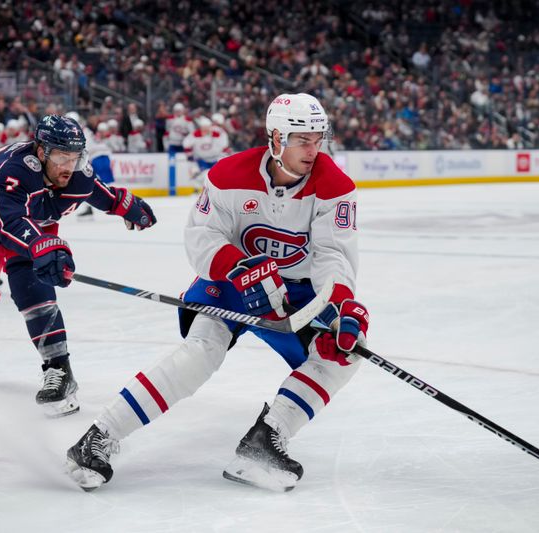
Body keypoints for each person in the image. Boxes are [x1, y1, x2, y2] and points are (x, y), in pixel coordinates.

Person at [66, 93, 369, 492]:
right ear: (276, 138)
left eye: (318, 139)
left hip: (295, 290)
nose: (313, 150)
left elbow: (333, 255)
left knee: (341, 354)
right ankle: (99, 437)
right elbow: (201, 237)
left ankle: (265, 440)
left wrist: (340, 306)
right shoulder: (228, 175)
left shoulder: (335, 187)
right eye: (302, 140)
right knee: (200, 353)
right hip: (230, 281)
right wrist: (238, 266)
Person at [0, 115, 156, 417]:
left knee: (35, 291)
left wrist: (124, 205)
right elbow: (10, 222)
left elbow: (94, 190)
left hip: (33, 230)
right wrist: (42, 245)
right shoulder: (14, 171)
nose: (68, 165)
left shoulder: (76, 172)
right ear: (41, 152)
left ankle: (59, 369)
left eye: (74, 157)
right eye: (60, 157)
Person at [182, 116, 230, 191]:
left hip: (214, 158)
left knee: (218, 175)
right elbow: (186, 143)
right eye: (204, 127)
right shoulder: (195, 134)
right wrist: (189, 155)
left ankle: (214, 190)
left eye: (207, 127)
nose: (205, 129)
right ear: (201, 127)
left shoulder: (217, 134)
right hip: (201, 159)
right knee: (204, 174)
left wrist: (224, 155)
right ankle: (202, 189)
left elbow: (224, 145)